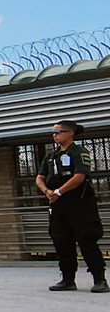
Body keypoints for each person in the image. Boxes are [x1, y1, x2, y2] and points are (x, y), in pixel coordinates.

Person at [38, 120, 107, 293]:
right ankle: (68, 279)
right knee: (61, 239)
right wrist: (47, 191)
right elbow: (39, 177)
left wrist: (59, 192)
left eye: (58, 132)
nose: (54, 135)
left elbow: (80, 176)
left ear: (70, 133)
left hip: (80, 203)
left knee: (87, 238)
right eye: (53, 132)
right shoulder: (51, 156)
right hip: (58, 205)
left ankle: (100, 279)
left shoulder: (79, 152)